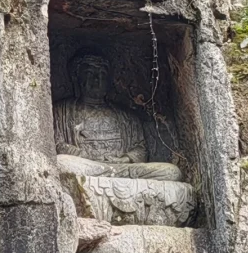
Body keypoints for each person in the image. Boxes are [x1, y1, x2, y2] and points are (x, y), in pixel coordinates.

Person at [54, 52, 183, 181]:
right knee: (61, 163)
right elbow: (57, 144)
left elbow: (140, 149)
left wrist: (124, 159)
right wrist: (86, 156)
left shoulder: (127, 116)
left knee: (172, 172)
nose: (96, 79)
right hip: (86, 166)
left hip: (121, 170)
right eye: (89, 73)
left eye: (102, 75)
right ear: (77, 77)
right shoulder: (61, 111)